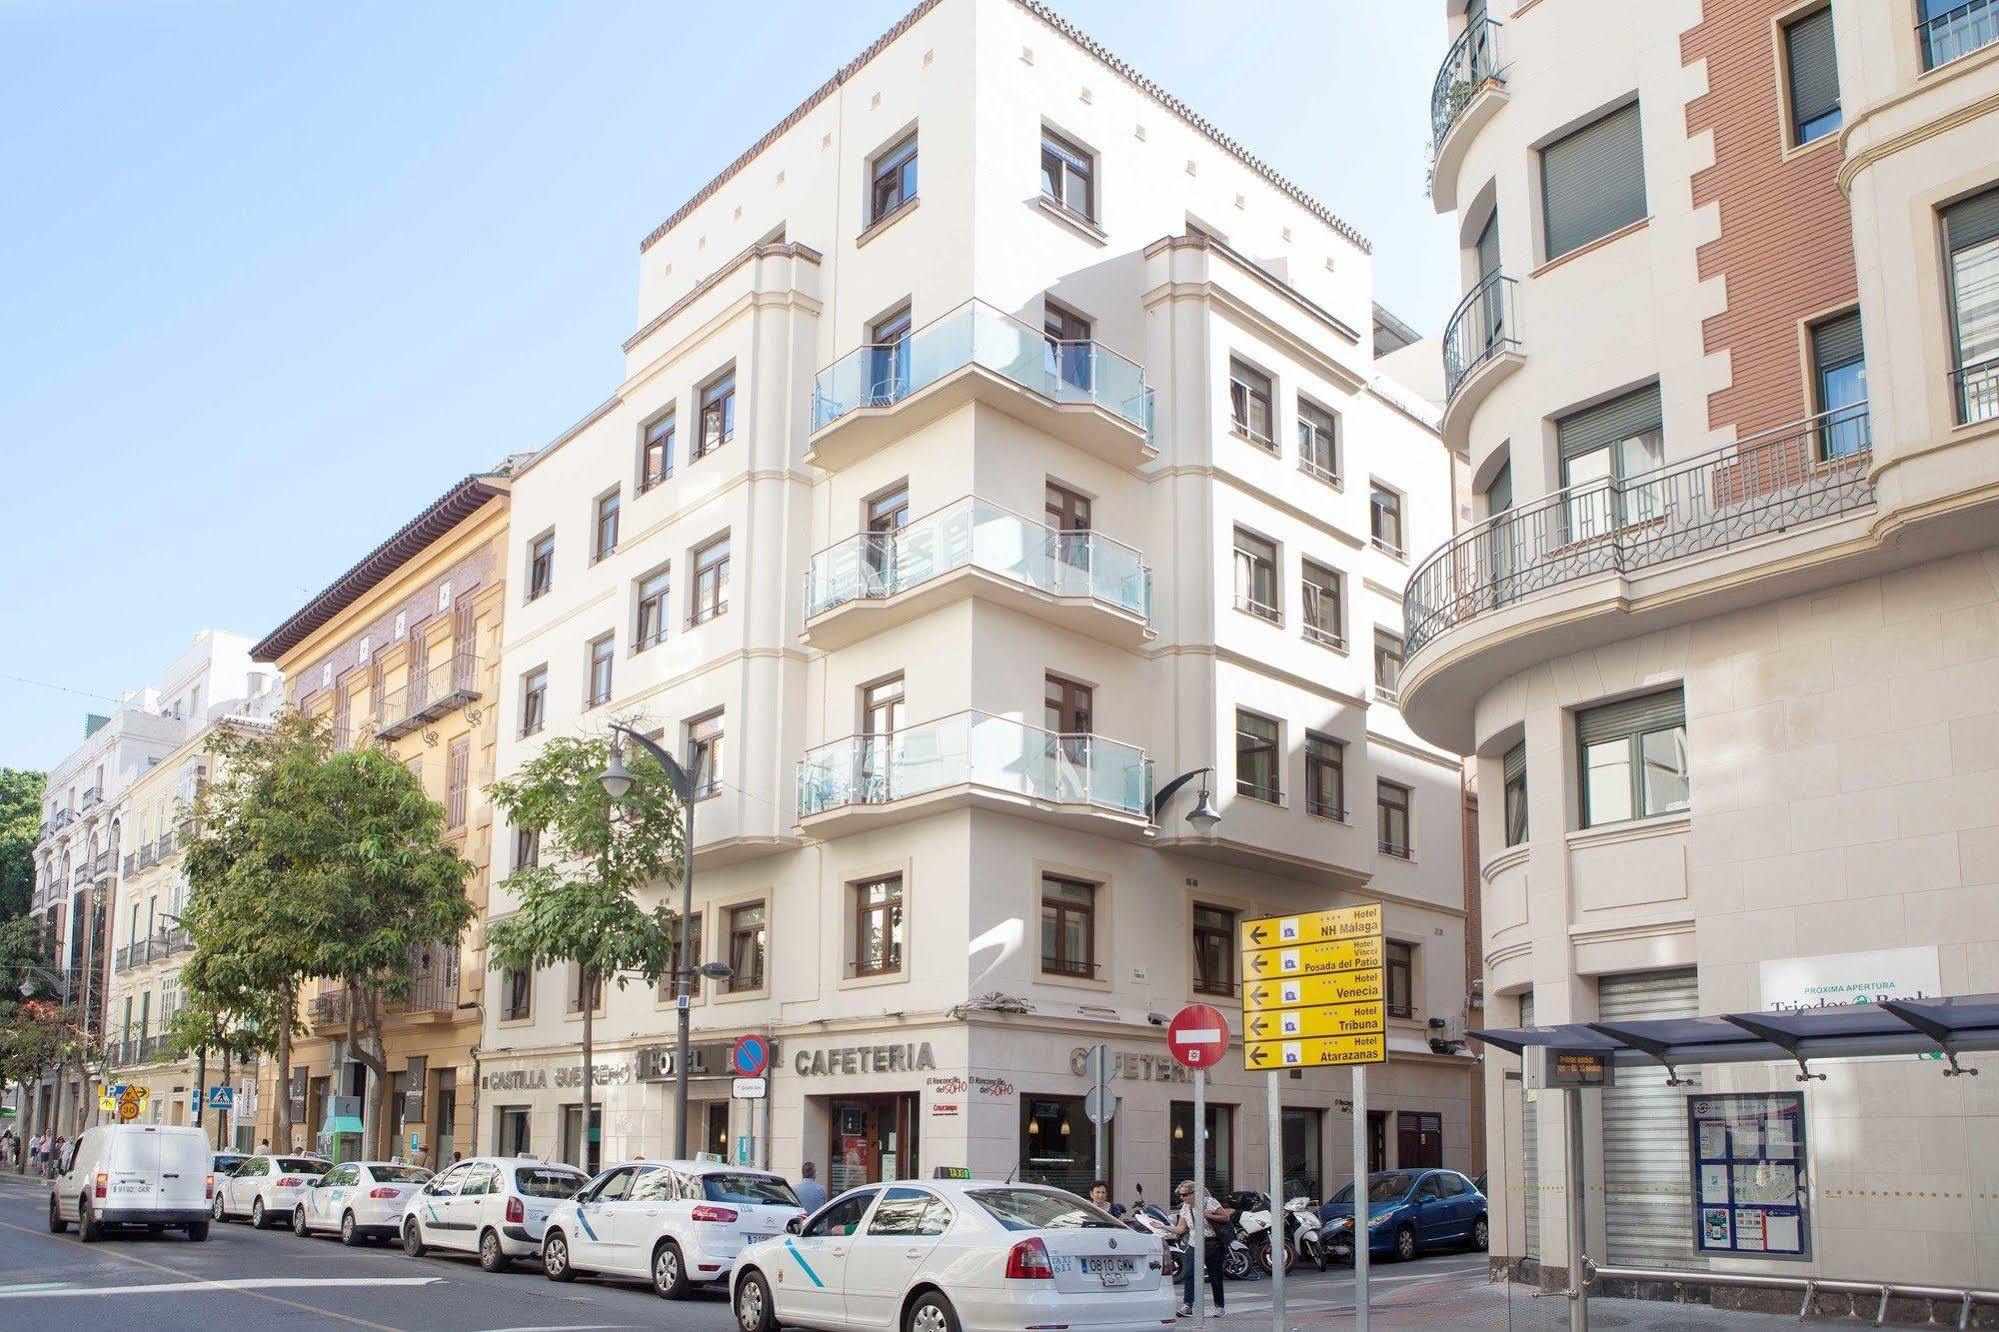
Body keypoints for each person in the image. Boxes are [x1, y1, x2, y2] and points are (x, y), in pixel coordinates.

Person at [1171, 1178, 1232, 1318]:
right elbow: (1181, 1229)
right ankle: (1187, 1306)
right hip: (1194, 1244)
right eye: (1180, 1195)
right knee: (1189, 1273)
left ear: (1194, 1193)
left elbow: (1225, 1217)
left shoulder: (1209, 1202)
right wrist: (1162, 1227)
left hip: (1212, 1244)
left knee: (1215, 1276)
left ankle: (1219, 1306)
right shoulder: (1185, 1207)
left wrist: (1206, 1214)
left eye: (1184, 1195)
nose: (1182, 1198)